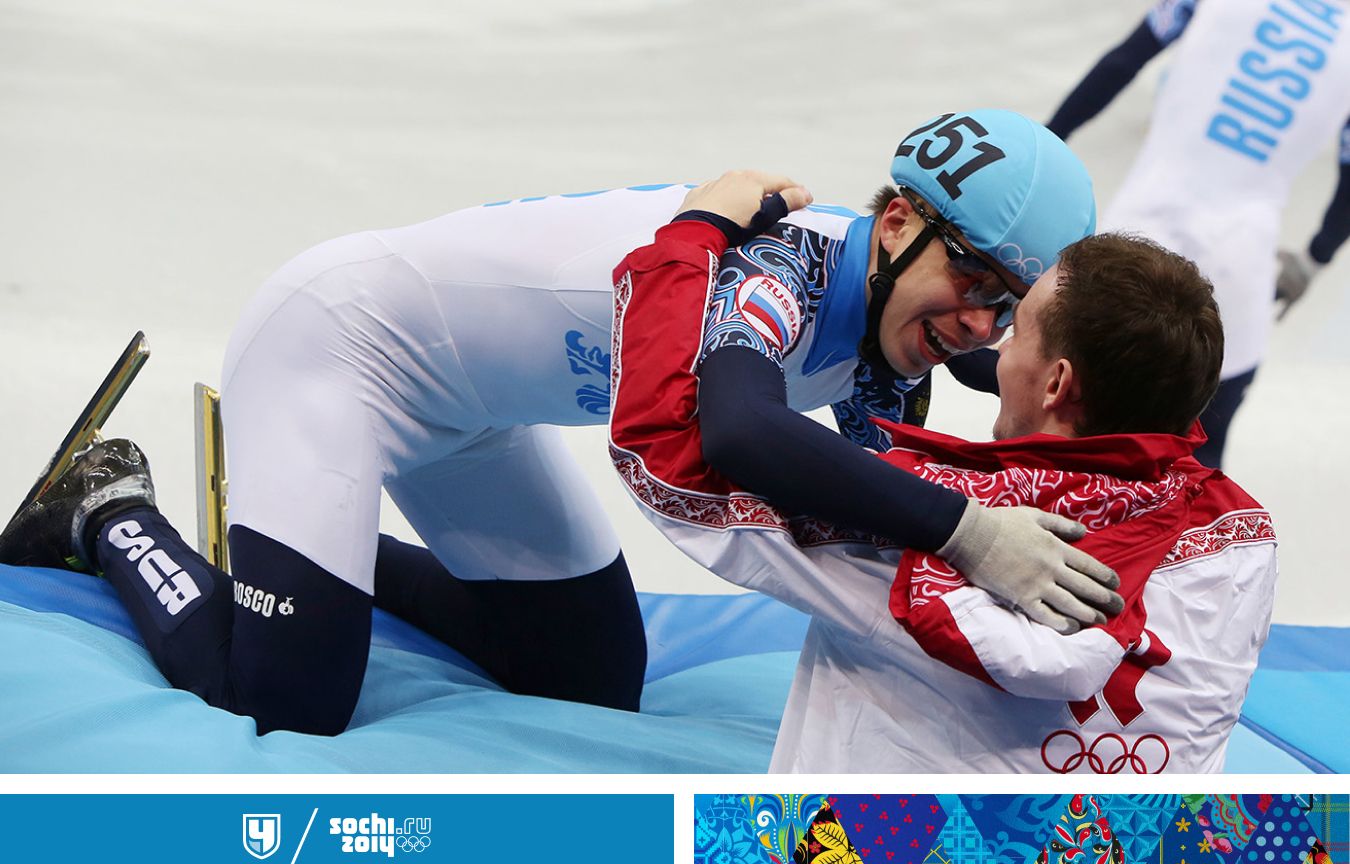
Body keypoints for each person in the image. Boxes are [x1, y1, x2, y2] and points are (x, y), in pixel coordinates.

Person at [0, 109, 1121, 737]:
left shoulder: (907, 321)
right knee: (288, 701)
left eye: (1006, 307)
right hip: (335, 350)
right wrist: (971, 533)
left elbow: (987, 420)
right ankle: (108, 507)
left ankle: (292, 553)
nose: (978, 325)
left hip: (477, 413)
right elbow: (738, 434)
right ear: (892, 227)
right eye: (972, 278)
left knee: (585, 679)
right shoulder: (776, 263)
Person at [610, 172, 1277, 772]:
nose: (991, 340)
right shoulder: (1244, 536)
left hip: (890, 858)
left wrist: (692, 244)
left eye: (1018, 331)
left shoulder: (912, 525)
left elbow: (668, 457)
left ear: (1056, 384)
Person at [1045, 0, 1350, 467]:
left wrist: (1046, 142)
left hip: (1136, 240)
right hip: (1239, 266)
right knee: (1198, 464)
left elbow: (1123, 62)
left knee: (1074, 426)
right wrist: (1314, 258)